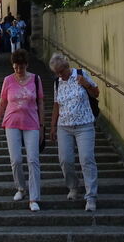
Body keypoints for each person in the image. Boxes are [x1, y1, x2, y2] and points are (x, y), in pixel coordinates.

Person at [0, 49, 44, 211]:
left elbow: (41, 102)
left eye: (21, 67)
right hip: (11, 122)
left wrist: (42, 124)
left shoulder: (36, 79)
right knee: (16, 160)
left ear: (26, 65)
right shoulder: (8, 80)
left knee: (33, 160)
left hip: (32, 123)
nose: (19, 71)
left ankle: (34, 198)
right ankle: (21, 188)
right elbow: (2, 103)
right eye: (15, 68)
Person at [49, 52, 100, 212]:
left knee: (86, 159)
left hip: (84, 125)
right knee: (65, 160)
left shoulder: (80, 74)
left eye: (61, 71)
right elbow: (56, 105)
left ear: (67, 66)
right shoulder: (57, 83)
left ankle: (91, 196)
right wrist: (52, 126)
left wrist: (86, 84)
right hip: (64, 126)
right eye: (56, 72)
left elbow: (96, 93)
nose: (59, 75)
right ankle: (73, 187)